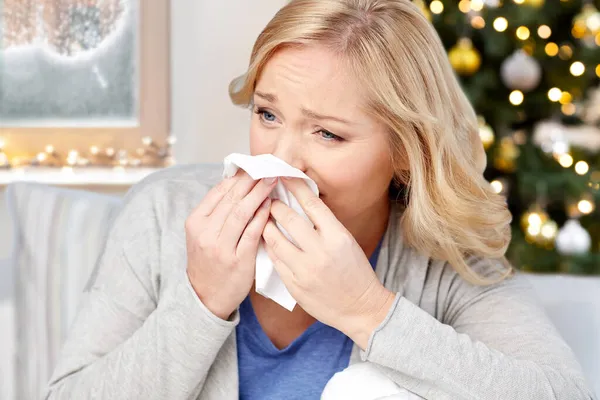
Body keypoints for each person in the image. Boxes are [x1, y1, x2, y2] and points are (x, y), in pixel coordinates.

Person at [45, 0, 593, 399]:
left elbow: (560, 394)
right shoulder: (164, 213)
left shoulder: (444, 256)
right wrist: (201, 301)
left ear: (405, 151)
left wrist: (367, 311)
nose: (284, 158)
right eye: (267, 114)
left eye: (327, 134)